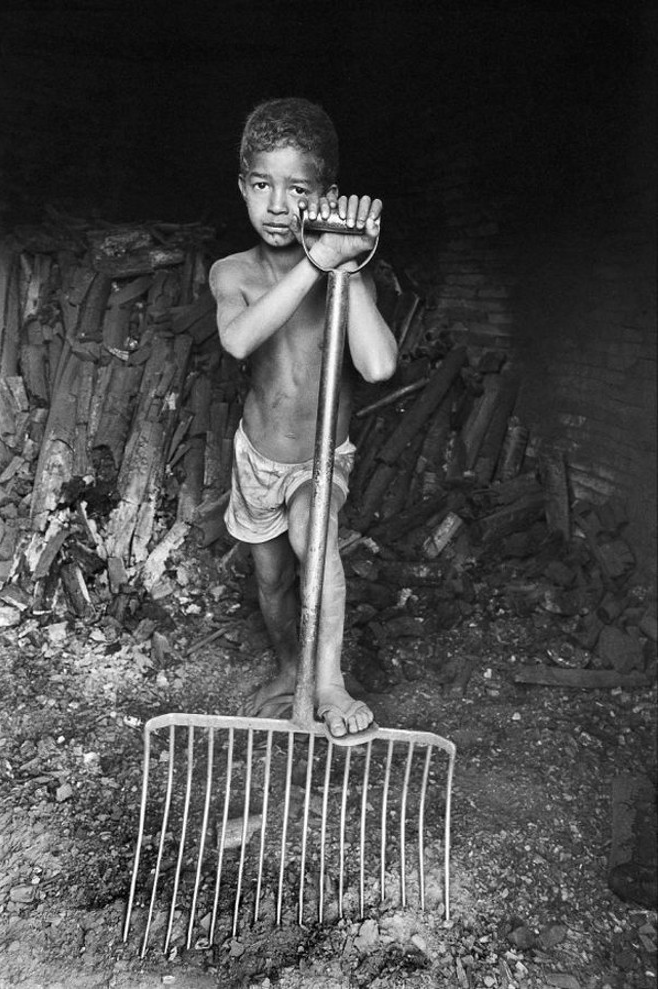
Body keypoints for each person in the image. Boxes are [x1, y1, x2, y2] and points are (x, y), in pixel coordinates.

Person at [209, 98, 398, 738]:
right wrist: (315, 264)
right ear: (243, 186)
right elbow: (238, 340)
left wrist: (344, 266)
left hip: (320, 459)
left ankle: (331, 685)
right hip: (257, 457)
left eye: (297, 190)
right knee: (270, 582)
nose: (276, 205)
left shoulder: (345, 274)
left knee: (311, 543)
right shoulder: (232, 271)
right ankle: (292, 667)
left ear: (326, 196)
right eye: (261, 185)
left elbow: (376, 366)